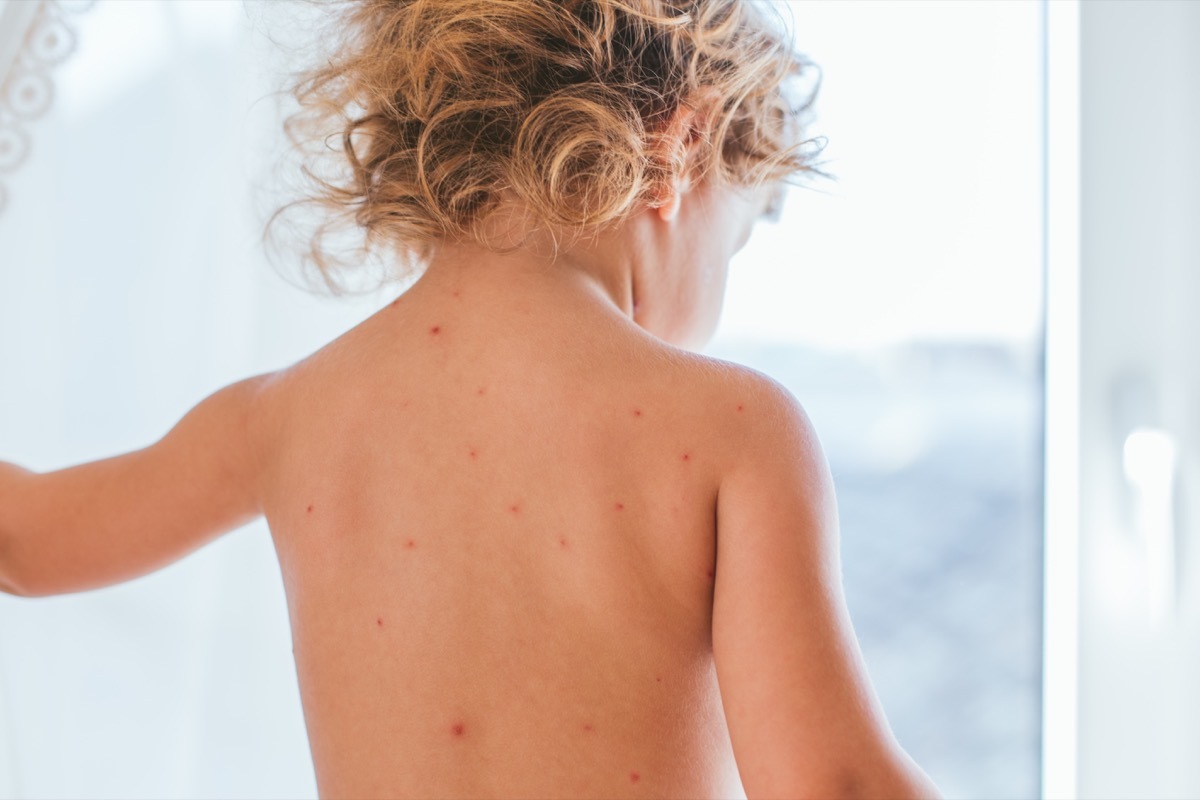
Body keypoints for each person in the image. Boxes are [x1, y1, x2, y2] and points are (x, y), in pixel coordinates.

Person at [0, 0, 940, 797]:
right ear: (678, 151)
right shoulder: (733, 429)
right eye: (733, 246)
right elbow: (833, 785)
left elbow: (25, 540)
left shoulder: (284, 417)